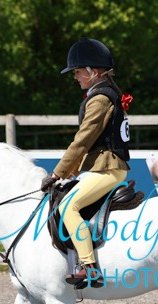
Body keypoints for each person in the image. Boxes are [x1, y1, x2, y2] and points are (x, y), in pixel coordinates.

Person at [40, 38, 131, 288]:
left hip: (108, 168)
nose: (75, 77)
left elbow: (82, 141)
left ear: (94, 71)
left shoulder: (100, 99)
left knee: (68, 207)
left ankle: (89, 266)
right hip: (101, 167)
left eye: (78, 71)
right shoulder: (102, 94)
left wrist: (57, 173)